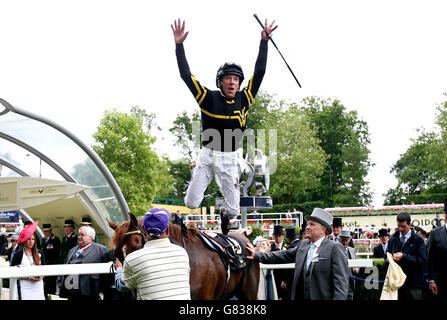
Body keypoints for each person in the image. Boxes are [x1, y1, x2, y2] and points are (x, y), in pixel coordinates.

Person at [172, 18, 278, 235]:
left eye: (236, 79)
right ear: (220, 82)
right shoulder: (207, 98)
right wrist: (179, 45)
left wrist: (264, 42)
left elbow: (259, 74)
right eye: (228, 79)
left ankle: (222, 218)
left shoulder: (245, 98)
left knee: (233, 211)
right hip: (207, 156)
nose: (233, 82)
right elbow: (186, 75)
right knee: (191, 203)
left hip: (230, 159)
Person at [246, 208, 349, 300]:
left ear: (323, 229)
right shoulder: (303, 244)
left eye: (312, 224)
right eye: (308, 224)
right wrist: (257, 255)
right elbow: (282, 256)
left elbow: (341, 284)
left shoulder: (334, 248)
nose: (307, 227)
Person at [114, 208, 191, 300]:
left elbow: (122, 286)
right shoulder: (182, 253)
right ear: (167, 230)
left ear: (144, 230)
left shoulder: (132, 259)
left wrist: (119, 269)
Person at [57, 226, 110, 300]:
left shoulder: (101, 249)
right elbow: (65, 266)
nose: (79, 237)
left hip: (89, 291)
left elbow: (110, 267)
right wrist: (60, 283)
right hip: (72, 290)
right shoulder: (72, 250)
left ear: (90, 237)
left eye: (82, 235)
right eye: (79, 235)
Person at [386, 212, 427, 300]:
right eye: (398, 226)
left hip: (414, 283)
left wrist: (404, 256)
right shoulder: (392, 239)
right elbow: (386, 256)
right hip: (397, 283)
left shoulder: (418, 240)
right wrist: (389, 259)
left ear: (410, 225)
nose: (400, 229)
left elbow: (422, 260)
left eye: (403, 226)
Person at [10, 222, 46, 300]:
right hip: (24, 288)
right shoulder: (18, 254)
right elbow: (12, 271)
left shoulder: (39, 253)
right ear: (25, 240)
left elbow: (44, 269)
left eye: (33, 239)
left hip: (38, 288)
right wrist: (29, 277)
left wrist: (40, 277)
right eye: (29, 239)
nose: (31, 241)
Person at [427, 198, 447, 299]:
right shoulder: (435, 233)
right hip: (441, 283)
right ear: (445, 215)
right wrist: (431, 280)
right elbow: (430, 259)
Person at [252, 236, 277, 300]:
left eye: (263, 244)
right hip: (258, 279)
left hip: (268, 278)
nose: (261, 246)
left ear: (268, 247)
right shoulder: (255, 257)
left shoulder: (271, 256)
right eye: (260, 245)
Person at [40, 223, 61, 296]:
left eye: (47, 231)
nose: (45, 233)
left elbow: (57, 254)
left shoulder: (55, 240)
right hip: (44, 267)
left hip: (52, 267)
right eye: (44, 231)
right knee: (44, 289)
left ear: (50, 231)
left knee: (51, 289)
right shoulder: (43, 240)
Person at [339, 229, 359, 300]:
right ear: (339, 240)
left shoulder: (352, 250)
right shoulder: (335, 250)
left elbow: (356, 263)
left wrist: (357, 268)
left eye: (346, 240)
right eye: (343, 240)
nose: (345, 242)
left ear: (349, 240)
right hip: (340, 282)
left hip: (351, 281)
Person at [270, 225, 287, 299]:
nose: (277, 237)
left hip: (284, 277)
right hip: (273, 277)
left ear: (283, 236)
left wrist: (285, 280)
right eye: (276, 235)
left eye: (279, 235)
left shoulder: (287, 247)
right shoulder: (270, 248)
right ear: (273, 236)